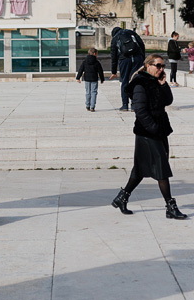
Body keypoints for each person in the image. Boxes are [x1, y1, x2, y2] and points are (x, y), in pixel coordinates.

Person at [111, 54, 187, 220]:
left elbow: (168, 101)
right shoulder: (140, 83)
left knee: (140, 170)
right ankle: (171, 206)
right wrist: (153, 129)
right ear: (148, 65)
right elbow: (140, 111)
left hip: (159, 132)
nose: (161, 69)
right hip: (148, 134)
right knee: (162, 170)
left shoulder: (156, 81)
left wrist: (163, 84)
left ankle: (122, 197)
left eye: (162, 66)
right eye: (158, 66)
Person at [109, 25, 146, 111]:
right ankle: (134, 104)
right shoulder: (132, 33)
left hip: (124, 60)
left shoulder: (115, 38)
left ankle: (125, 105)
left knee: (124, 81)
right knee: (136, 81)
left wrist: (113, 71)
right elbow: (141, 45)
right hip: (137, 58)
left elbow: (113, 56)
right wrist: (143, 58)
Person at [75, 47, 105, 112]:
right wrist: (102, 79)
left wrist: (78, 78)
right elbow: (100, 71)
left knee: (88, 92)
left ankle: (87, 105)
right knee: (94, 92)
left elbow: (81, 69)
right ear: (94, 54)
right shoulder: (97, 62)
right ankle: (92, 107)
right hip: (94, 78)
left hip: (87, 78)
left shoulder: (85, 61)